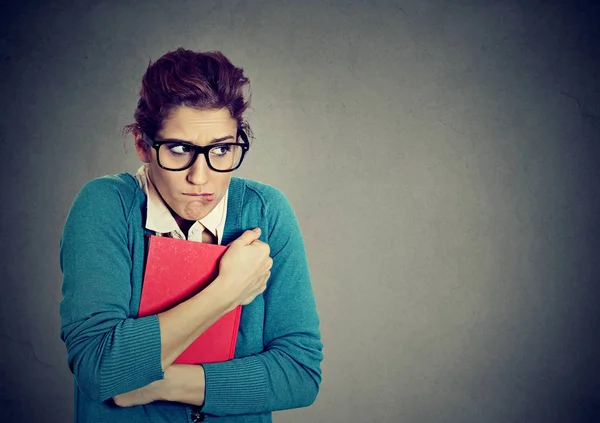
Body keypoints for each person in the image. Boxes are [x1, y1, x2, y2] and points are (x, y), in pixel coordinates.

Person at [59, 48, 323, 423]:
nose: (201, 178)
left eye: (221, 150)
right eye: (180, 149)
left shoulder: (265, 211)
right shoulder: (106, 206)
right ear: (142, 144)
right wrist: (226, 292)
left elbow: (300, 374)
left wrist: (157, 383)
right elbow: (99, 369)